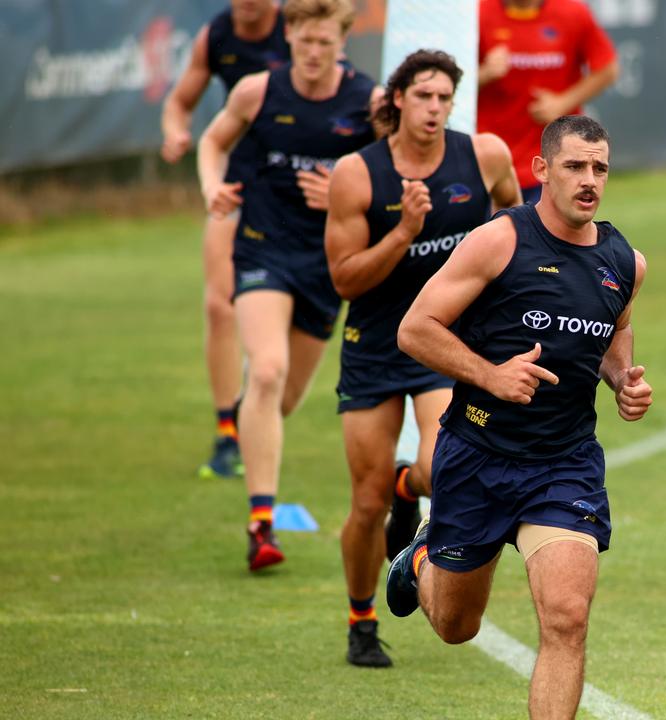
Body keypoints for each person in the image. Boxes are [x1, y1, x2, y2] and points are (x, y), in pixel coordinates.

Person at [387, 115, 652, 718]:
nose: (589, 180)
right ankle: (424, 558)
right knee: (457, 625)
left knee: (568, 618)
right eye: (574, 167)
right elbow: (415, 329)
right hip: (477, 455)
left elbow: (616, 333)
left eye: (600, 168)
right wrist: (491, 375)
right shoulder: (500, 240)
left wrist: (622, 382)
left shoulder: (625, 263)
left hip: (564, 464)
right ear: (540, 170)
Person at [324, 49, 521, 668]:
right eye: (424, 96)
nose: (435, 108)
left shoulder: (483, 155)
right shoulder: (357, 175)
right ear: (398, 99)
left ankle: (413, 493)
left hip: (445, 344)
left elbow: (518, 221)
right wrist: (404, 232)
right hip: (375, 350)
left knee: (441, 470)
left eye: (445, 98)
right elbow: (345, 280)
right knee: (367, 499)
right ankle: (361, 620)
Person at [197, 0, 381, 572]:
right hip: (263, 249)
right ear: (291, 35)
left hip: (328, 265)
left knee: (284, 397)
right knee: (270, 370)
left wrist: (345, 196)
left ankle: (256, 402)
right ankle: (261, 523)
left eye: (325, 42)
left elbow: (392, 175)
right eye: (304, 41)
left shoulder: (369, 102)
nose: (314, 52)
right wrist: (212, 189)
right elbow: (212, 143)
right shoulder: (257, 91)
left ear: (342, 41)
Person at [161, 0, 288, 480]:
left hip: (294, 198)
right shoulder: (216, 36)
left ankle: (258, 412)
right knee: (219, 305)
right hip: (237, 185)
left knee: (283, 361)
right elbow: (179, 103)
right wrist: (176, 133)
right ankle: (225, 431)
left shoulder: (296, 31)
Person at [477, 0, 618, 204]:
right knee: (493, 234)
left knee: (553, 234)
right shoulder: (478, 13)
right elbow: (447, 82)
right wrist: (484, 74)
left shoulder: (572, 11)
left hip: (554, 158)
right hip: (492, 161)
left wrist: (563, 103)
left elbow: (608, 69)